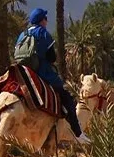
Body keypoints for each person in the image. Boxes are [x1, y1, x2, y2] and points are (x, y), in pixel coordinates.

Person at [17, 8, 90, 145]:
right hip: (42, 73)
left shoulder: (22, 34)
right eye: (45, 18)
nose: (47, 21)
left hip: (22, 72)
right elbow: (51, 57)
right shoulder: (43, 33)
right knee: (66, 97)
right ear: (41, 21)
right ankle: (78, 132)